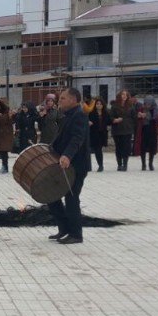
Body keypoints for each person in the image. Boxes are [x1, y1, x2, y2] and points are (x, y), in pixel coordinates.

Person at [47, 88, 91, 245]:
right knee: (51, 195)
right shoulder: (68, 116)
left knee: (71, 198)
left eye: (63, 99)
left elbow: (77, 139)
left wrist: (67, 155)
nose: (60, 101)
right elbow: (62, 139)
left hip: (76, 165)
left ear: (73, 100)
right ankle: (64, 228)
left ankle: (76, 234)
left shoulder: (79, 116)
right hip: (65, 165)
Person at [109, 90, 136, 171]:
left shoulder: (131, 106)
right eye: (122, 94)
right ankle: (119, 164)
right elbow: (110, 117)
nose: (124, 96)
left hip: (127, 130)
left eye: (126, 95)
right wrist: (115, 120)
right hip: (117, 130)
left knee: (126, 147)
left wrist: (132, 127)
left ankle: (125, 164)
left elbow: (134, 118)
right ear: (119, 96)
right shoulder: (114, 106)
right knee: (119, 147)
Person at [134, 96, 158, 171]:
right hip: (143, 130)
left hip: (152, 131)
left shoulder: (155, 109)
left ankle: (150, 164)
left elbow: (155, 118)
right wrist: (138, 116)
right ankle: (143, 164)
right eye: (146, 103)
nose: (147, 105)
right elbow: (136, 117)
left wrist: (145, 115)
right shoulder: (141, 109)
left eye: (149, 104)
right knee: (143, 147)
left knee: (152, 148)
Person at [87, 98, 111, 172]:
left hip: (102, 134)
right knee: (96, 149)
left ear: (103, 105)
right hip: (94, 134)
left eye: (100, 104)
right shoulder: (92, 113)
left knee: (99, 150)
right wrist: (88, 122)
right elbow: (87, 120)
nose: (99, 105)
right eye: (97, 104)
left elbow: (109, 121)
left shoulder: (106, 113)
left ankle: (100, 165)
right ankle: (99, 165)